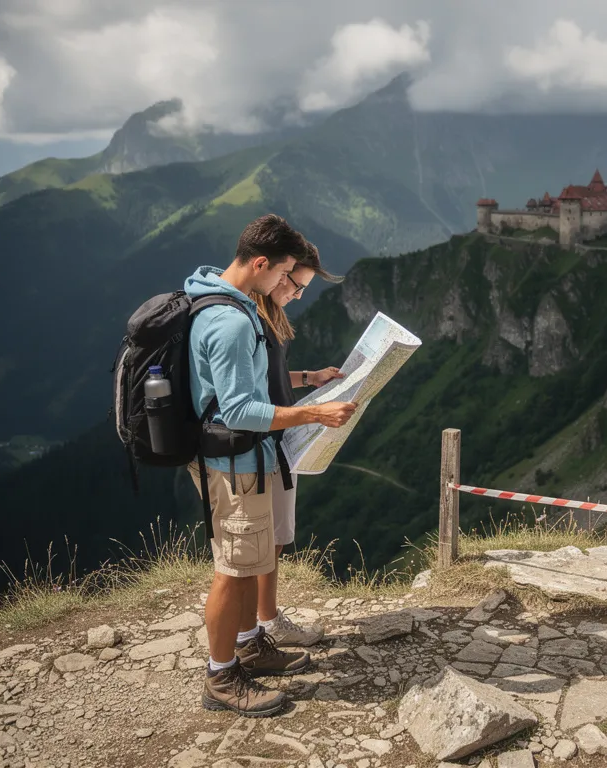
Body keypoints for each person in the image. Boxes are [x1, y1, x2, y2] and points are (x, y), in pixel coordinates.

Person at [185, 214, 357, 717]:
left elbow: (251, 387)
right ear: (261, 263)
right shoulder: (234, 321)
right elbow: (240, 410)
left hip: (241, 458)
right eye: (283, 274)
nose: (285, 285)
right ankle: (221, 677)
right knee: (233, 571)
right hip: (236, 461)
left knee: (248, 562)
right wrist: (315, 412)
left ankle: (249, 646)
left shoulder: (217, 301)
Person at [248, 242, 344, 646]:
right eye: (297, 284)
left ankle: (262, 618)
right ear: (276, 273)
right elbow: (252, 396)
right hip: (263, 442)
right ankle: (265, 622)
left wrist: (311, 377)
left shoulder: (270, 314)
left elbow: (276, 377)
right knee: (268, 539)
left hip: (276, 438)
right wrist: (313, 415)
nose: (299, 294)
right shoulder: (251, 319)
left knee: (277, 537)